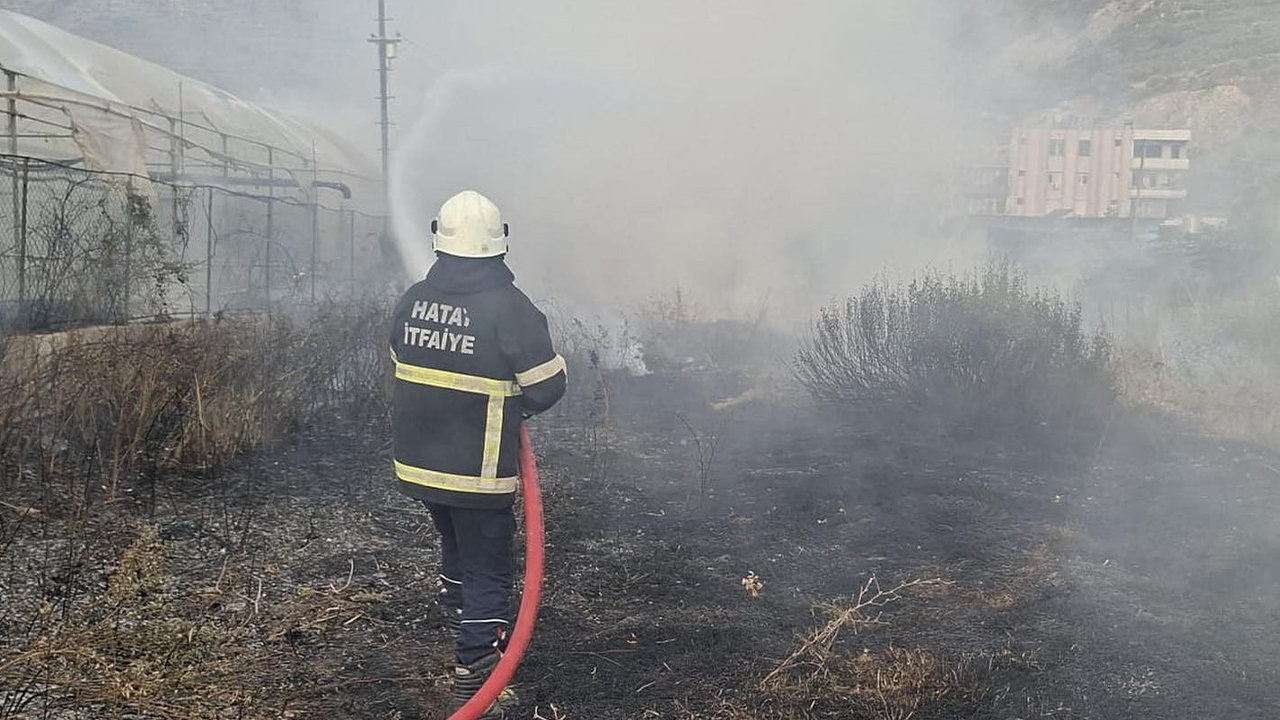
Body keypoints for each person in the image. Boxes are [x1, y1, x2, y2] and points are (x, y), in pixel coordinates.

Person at [388, 190, 566, 716]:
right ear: (500, 243)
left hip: (419, 465)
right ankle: (478, 675)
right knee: (488, 565)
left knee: (456, 544)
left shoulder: (414, 298)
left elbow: (402, 359)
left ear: (439, 239)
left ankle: (456, 611)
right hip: (477, 472)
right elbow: (546, 387)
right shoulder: (510, 309)